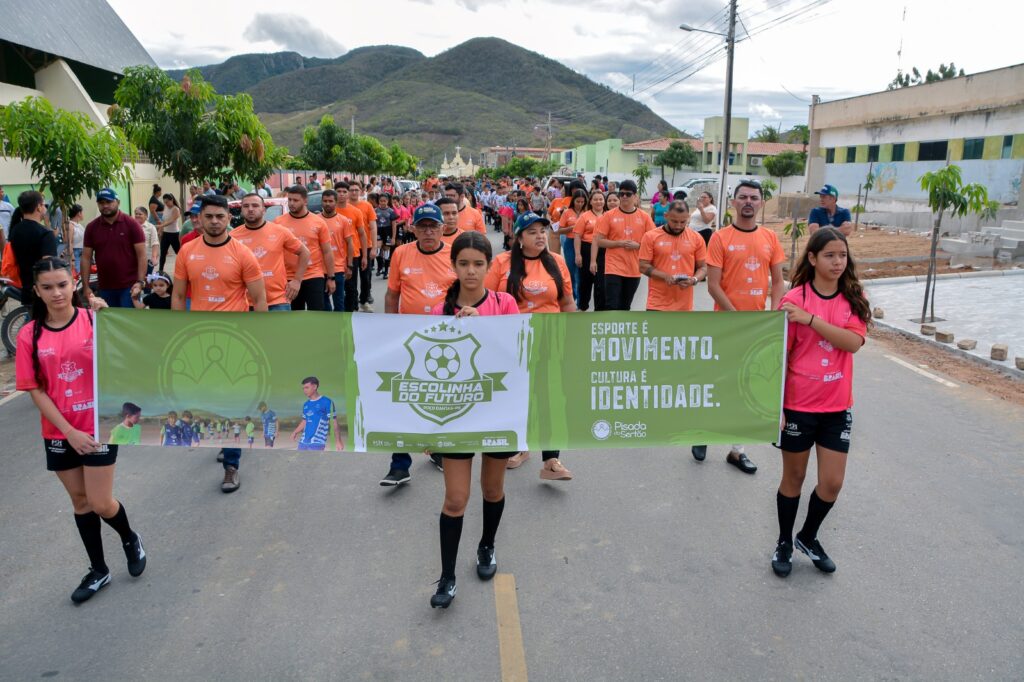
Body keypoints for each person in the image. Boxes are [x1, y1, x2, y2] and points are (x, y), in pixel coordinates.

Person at [15, 257, 146, 603]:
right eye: (47, 287)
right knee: (80, 501)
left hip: (99, 426)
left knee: (101, 502)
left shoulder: (95, 320)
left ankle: (129, 538)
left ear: (74, 283)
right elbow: (34, 390)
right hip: (60, 432)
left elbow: (132, 356)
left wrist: (111, 320)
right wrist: (68, 431)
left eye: (62, 284)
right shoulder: (30, 334)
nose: (57, 293)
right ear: (37, 292)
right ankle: (98, 570)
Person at [427, 231, 519, 609]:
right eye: (463, 263)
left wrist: (483, 325)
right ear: (453, 266)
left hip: (499, 411)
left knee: (493, 490)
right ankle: (447, 576)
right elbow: (427, 373)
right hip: (457, 417)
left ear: (489, 266)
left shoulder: (505, 303)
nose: (470, 271)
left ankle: (487, 545)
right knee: (455, 499)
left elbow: (517, 356)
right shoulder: (438, 312)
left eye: (478, 264)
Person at [772, 227, 870, 578]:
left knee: (832, 483)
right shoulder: (793, 299)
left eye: (842, 255)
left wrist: (812, 320)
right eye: (829, 255)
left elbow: (853, 342)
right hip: (798, 405)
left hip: (836, 408)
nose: (838, 262)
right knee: (793, 478)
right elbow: (778, 357)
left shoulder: (853, 298)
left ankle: (808, 537)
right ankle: (784, 541)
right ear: (812, 259)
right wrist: (776, 405)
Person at [172, 194, 267, 493]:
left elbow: (260, 299)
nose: (214, 221)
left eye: (220, 216)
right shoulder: (187, 252)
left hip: (234, 339)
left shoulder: (243, 254)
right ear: (199, 219)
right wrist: (174, 332)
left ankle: (231, 465)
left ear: (229, 218)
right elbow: (177, 296)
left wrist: (262, 337)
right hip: (197, 338)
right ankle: (226, 436)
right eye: (208, 216)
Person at [699, 179, 786, 473]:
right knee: (718, 383)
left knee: (746, 385)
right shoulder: (720, 238)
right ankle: (702, 433)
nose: (748, 201)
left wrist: (775, 315)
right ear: (733, 202)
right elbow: (713, 286)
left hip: (757, 326)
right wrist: (736, 316)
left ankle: (738, 450)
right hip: (726, 325)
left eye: (754, 197)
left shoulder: (771, 239)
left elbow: (778, 282)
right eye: (743, 197)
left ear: (761, 203)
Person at [485, 211, 576, 480]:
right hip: (511, 343)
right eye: (533, 231)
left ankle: (551, 460)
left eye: (543, 231)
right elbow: (489, 302)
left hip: (549, 341)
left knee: (549, 399)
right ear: (519, 237)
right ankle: (518, 447)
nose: (540, 236)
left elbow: (567, 303)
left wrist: (572, 339)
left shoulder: (556, 262)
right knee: (515, 397)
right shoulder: (501, 263)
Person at [381, 204, 456, 486]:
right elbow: (392, 294)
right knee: (403, 398)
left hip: (445, 339)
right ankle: (399, 465)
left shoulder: (454, 254)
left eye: (433, 226)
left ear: (442, 228)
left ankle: (438, 450)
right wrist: (389, 330)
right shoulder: (401, 253)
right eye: (422, 226)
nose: (428, 231)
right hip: (408, 336)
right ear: (413, 228)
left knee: (440, 396)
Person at [593, 180, 656, 311]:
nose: (624, 197)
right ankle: (610, 331)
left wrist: (638, 246)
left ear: (635, 196)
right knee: (611, 305)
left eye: (628, 194)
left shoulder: (644, 217)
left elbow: (652, 242)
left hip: (634, 268)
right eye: (621, 194)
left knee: (625, 306)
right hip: (613, 267)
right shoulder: (609, 216)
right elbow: (599, 241)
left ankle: (621, 331)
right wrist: (618, 243)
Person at [81, 189, 147, 309]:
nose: (105, 206)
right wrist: (86, 286)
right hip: (105, 287)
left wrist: (140, 282)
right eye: (101, 203)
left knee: (128, 323)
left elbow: (142, 255)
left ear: (118, 202)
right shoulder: (92, 227)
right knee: (109, 324)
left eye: (109, 202)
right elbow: (86, 258)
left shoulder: (132, 224)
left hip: (130, 287)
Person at [273, 185, 334, 311]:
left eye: (295, 200)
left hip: (314, 275)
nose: (291, 203)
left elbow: (327, 252)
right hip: (289, 278)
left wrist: (331, 278)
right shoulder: (279, 223)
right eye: (289, 200)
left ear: (305, 201)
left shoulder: (318, 222)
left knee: (317, 317)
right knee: (294, 318)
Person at [639, 200, 707, 311]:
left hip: (684, 305)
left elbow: (703, 267)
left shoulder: (696, 238)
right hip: (657, 304)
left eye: (683, 222)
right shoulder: (650, 236)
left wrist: (694, 279)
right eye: (674, 221)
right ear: (666, 216)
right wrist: (665, 277)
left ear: (688, 217)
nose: (678, 226)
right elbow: (642, 266)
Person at [8, 191, 58, 305]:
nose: (45, 208)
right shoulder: (45, 233)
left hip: (25, 287)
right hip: (43, 292)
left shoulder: (15, 230)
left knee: (31, 321)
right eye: (44, 204)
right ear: (39, 207)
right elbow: (48, 266)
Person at [318, 189, 353, 311]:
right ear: (321, 202)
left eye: (330, 201)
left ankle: (339, 328)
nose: (327, 204)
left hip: (338, 268)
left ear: (336, 202)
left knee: (339, 303)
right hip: (319, 269)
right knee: (323, 303)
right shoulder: (316, 220)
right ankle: (329, 327)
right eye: (325, 201)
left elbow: (349, 243)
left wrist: (349, 265)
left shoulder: (343, 221)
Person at [290, 376, 344, 451]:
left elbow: (334, 423)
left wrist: (338, 441)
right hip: (303, 442)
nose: (304, 390)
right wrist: (295, 432)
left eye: (307, 387)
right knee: (299, 462)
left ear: (315, 386)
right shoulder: (306, 404)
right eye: (303, 388)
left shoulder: (327, 402)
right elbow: (304, 421)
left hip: (317, 443)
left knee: (313, 463)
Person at [348, 181, 378, 311]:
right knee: (351, 279)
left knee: (366, 277)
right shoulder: (343, 207)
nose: (354, 192)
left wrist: (375, 247)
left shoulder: (367, 206)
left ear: (361, 191)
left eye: (356, 190)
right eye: (351, 190)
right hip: (350, 249)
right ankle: (353, 302)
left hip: (366, 247)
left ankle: (364, 301)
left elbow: (373, 227)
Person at [576, 190, 607, 312]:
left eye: (601, 199)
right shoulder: (585, 216)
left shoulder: (608, 215)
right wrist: (578, 254)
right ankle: (583, 306)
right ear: (590, 201)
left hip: (604, 251)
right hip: (587, 250)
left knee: (601, 282)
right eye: (595, 199)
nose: (598, 201)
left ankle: (599, 311)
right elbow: (577, 236)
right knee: (585, 281)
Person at [556, 188, 587, 304]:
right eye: (577, 201)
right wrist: (570, 228)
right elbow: (559, 230)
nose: (579, 204)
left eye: (582, 202)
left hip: (584, 244)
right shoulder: (567, 212)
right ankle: (572, 297)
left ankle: (580, 299)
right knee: (571, 270)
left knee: (581, 271)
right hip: (570, 243)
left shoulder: (587, 212)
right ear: (573, 201)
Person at [155, 193, 182, 273]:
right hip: (166, 233)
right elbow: (164, 219)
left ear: (172, 200)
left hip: (174, 234)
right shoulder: (166, 207)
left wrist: (159, 226)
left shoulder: (176, 209)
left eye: (167, 202)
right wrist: (161, 230)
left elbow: (171, 220)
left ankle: (184, 268)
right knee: (162, 252)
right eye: (165, 202)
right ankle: (160, 270)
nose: (166, 204)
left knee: (179, 253)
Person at [374, 193, 398, 277]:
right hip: (378, 231)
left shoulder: (391, 211)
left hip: (388, 231)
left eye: (384, 201)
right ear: (379, 201)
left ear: (387, 201)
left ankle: (386, 271)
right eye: (381, 201)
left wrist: (393, 237)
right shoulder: (375, 210)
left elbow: (394, 225)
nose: (383, 203)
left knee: (386, 251)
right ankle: (380, 266)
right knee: (377, 250)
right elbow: (372, 224)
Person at [133, 207, 159, 277]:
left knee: (146, 280)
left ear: (146, 216)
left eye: (140, 214)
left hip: (147, 259)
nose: (137, 215)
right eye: (136, 214)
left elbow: (155, 243)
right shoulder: (132, 226)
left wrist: (154, 257)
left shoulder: (151, 227)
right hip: (133, 259)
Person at [68, 204, 86, 275]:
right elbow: (70, 242)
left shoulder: (79, 225)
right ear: (79, 213)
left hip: (82, 252)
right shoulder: (70, 225)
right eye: (82, 212)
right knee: (77, 273)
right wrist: (72, 258)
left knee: (82, 273)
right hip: (75, 253)